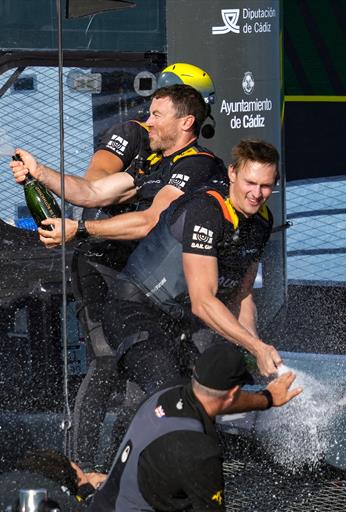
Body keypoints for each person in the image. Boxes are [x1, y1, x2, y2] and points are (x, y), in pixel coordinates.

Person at [10, 67, 222, 472]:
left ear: (186, 119)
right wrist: (40, 173)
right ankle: (79, 469)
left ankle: (115, 471)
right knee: (107, 360)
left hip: (146, 281)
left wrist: (81, 228)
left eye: (157, 113)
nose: (148, 120)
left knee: (140, 373)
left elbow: (150, 222)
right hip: (103, 266)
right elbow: (90, 189)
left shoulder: (197, 165)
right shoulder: (150, 160)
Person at [104, 139, 283, 408]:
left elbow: (242, 296)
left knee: (227, 384)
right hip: (136, 306)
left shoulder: (262, 221)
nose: (256, 194)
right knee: (168, 390)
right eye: (250, 183)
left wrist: (254, 346)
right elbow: (203, 302)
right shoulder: (206, 210)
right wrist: (257, 348)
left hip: (183, 320)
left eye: (265, 186)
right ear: (232, 173)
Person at [83, 342, 302, 512]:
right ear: (234, 392)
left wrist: (267, 399)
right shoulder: (200, 454)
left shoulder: (170, 390)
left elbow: (220, 398)